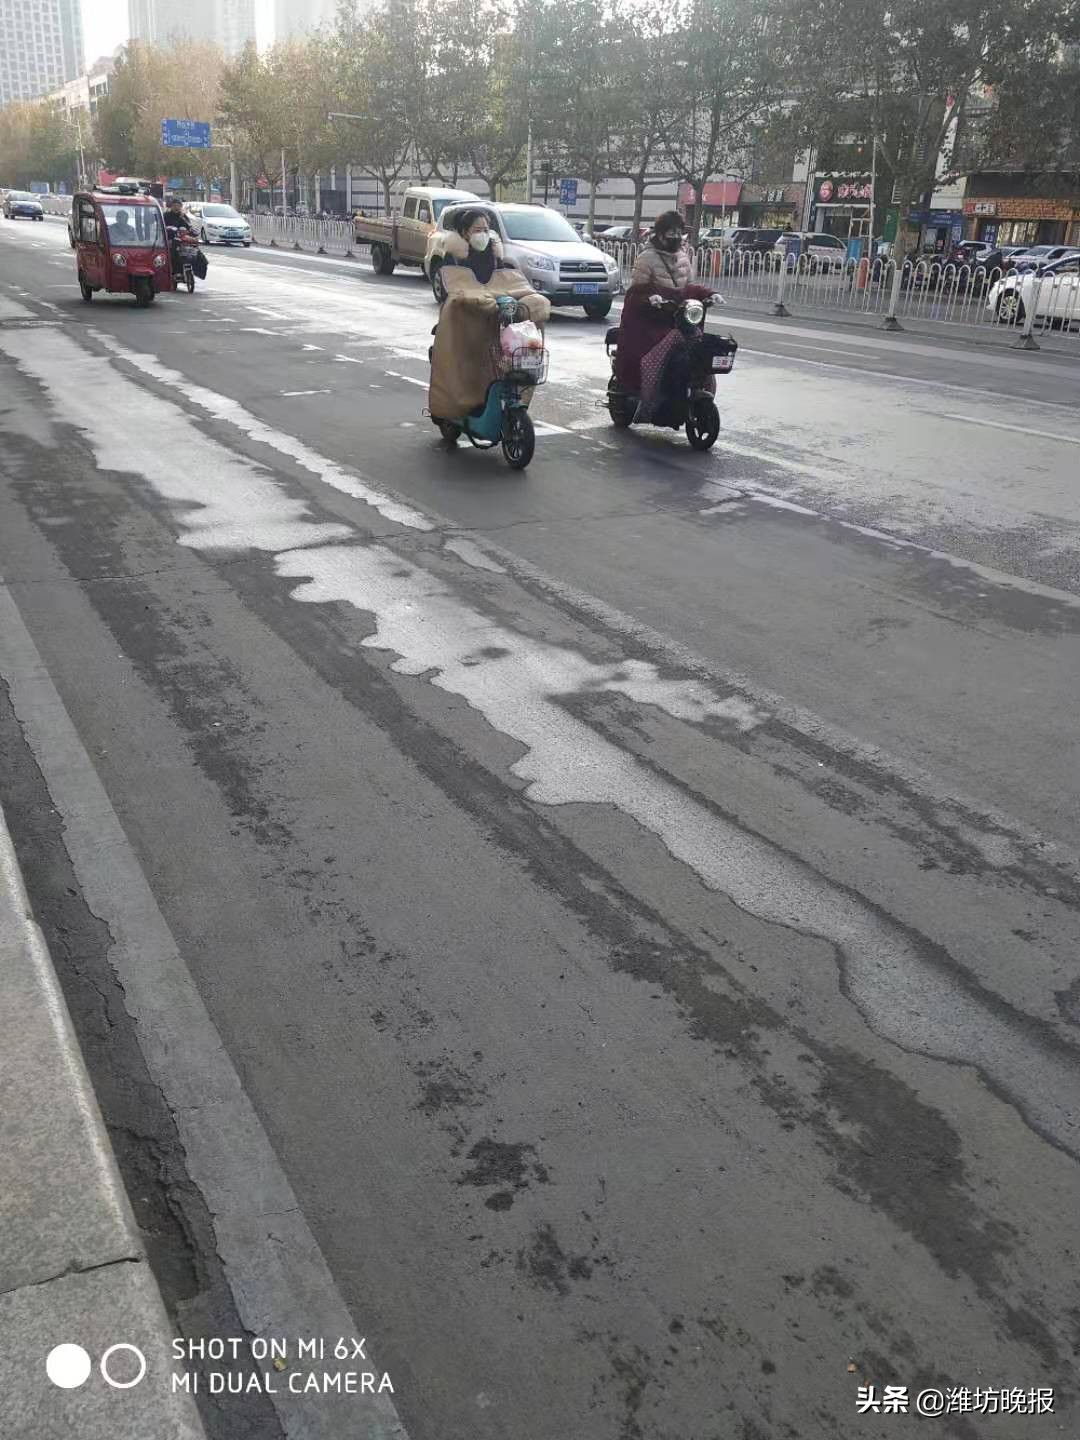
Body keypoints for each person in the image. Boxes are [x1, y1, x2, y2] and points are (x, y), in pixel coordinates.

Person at [427, 208, 549, 425]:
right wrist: (476, 299)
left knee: (507, 360)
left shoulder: (494, 257)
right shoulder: (452, 258)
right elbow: (453, 290)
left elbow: (507, 284)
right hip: (465, 322)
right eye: (477, 229)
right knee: (466, 366)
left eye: (486, 229)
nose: (482, 234)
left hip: (495, 321)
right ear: (465, 233)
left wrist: (512, 302)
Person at [615, 210, 713, 397]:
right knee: (658, 349)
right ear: (660, 234)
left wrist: (709, 294)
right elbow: (637, 291)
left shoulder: (683, 256)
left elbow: (689, 287)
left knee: (698, 344)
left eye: (679, 232)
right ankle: (647, 392)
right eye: (671, 232)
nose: (676, 237)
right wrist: (650, 298)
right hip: (652, 320)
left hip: (680, 317)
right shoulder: (646, 258)